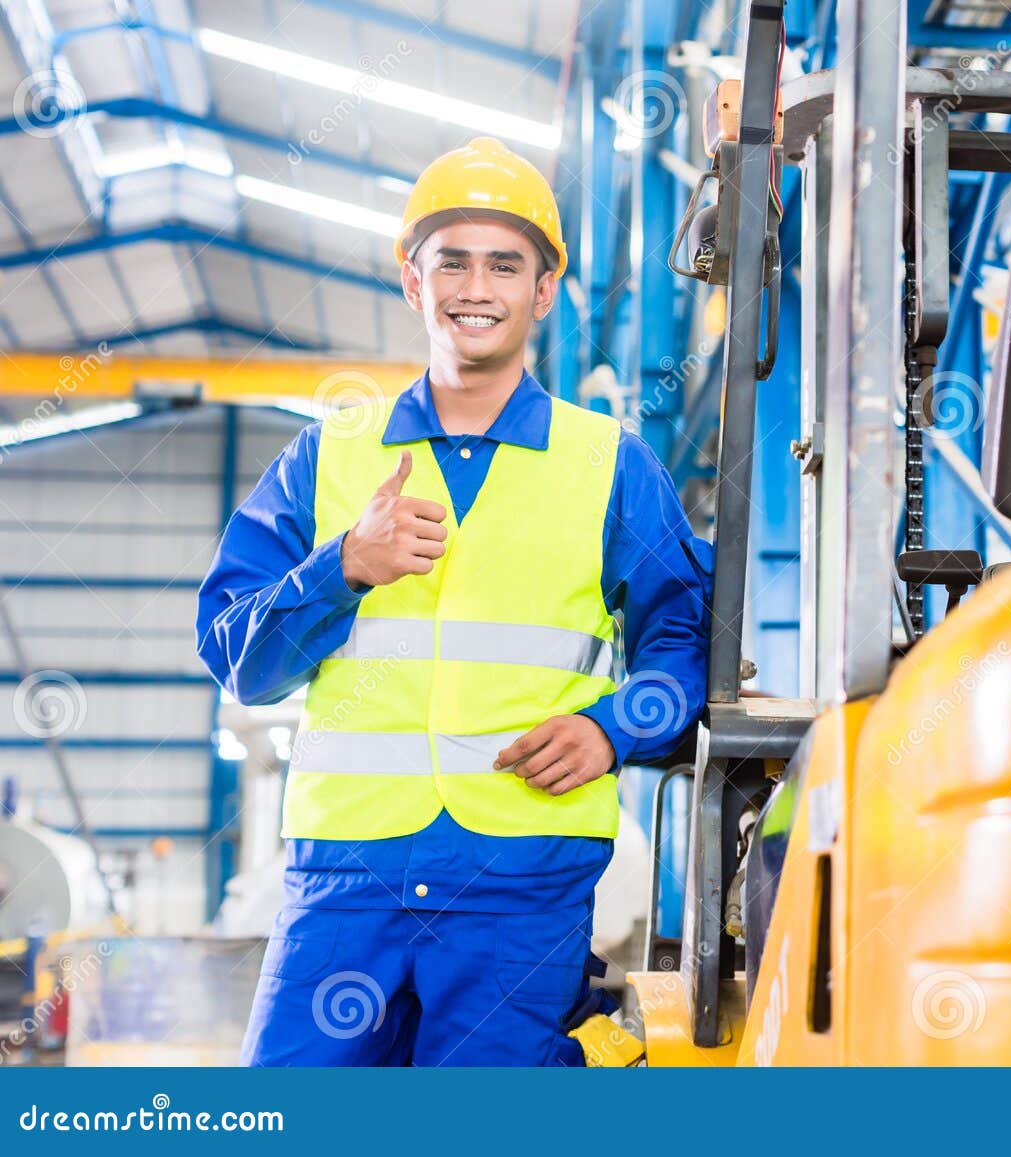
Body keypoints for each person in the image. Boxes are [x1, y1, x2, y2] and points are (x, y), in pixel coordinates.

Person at [197, 137, 709, 1066]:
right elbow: (238, 655)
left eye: (505, 264)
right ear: (411, 278)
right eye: (453, 261)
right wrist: (341, 567)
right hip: (345, 879)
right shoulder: (327, 458)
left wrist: (613, 729)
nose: (477, 286)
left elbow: (686, 638)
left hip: (521, 879)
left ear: (543, 289)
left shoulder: (611, 465)